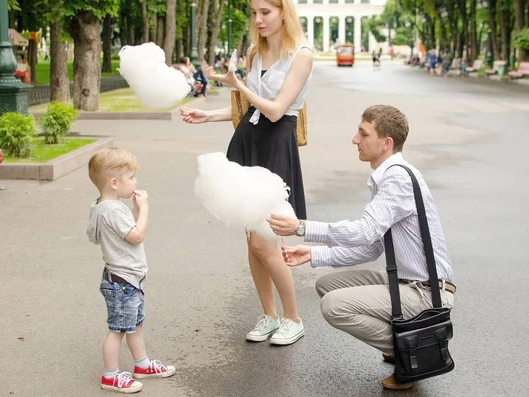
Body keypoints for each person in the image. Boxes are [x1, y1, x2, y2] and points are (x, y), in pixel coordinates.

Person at [267, 105, 456, 390]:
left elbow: (365, 231)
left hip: (427, 293)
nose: (355, 139)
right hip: (407, 282)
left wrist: (302, 228)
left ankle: (412, 351)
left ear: (386, 143)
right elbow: (372, 247)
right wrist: (315, 254)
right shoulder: (392, 175)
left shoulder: (397, 178)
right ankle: (400, 345)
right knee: (328, 285)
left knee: (333, 306)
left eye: (363, 133)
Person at [179, 0, 313, 346]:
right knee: (253, 242)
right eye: (254, 13)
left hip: (275, 143)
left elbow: (275, 109)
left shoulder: (301, 54)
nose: (258, 19)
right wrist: (207, 115)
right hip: (249, 142)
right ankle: (269, 315)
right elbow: (247, 108)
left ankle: (293, 318)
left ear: (284, 11)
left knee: (266, 241)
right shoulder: (255, 52)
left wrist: (237, 84)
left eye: (265, 12)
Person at [86, 147, 176, 394]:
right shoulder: (115, 209)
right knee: (117, 330)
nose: (135, 182)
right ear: (114, 183)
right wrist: (144, 208)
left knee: (135, 324)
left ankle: (142, 364)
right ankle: (111, 376)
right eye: (132, 177)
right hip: (123, 280)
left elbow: (96, 236)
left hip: (122, 279)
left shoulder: (99, 207)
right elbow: (136, 236)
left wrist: (135, 213)